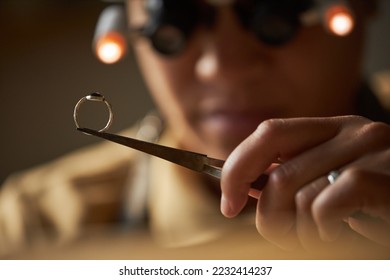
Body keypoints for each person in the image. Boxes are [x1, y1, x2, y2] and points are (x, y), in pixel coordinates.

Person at [0, 0, 389, 258]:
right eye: (173, 27)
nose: (222, 67)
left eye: (274, 13)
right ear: (125, 23)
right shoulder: (32, 230)